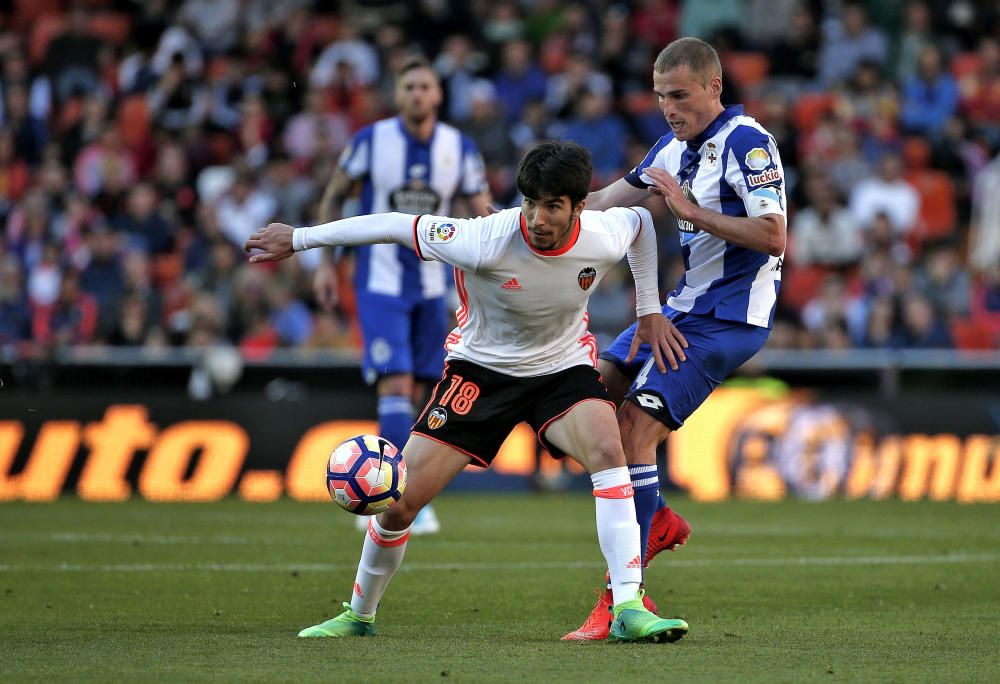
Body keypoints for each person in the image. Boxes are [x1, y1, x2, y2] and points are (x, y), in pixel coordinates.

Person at [245, 141, 689, 643]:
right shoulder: (483, 238)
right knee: (398, 504)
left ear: (578, 207)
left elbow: (643, 226)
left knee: (611, 450)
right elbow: (393, 224)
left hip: (561, 369)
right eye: (529, 203)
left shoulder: (601, 233)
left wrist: (649, 308)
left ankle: (627, 605)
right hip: (480, 374)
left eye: (552, 206)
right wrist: (299, 239)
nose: (537, 218)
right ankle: (358, 615)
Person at [562, 36, 787, 640]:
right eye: (661, 96)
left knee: (635, 430)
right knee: (580, 400)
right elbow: (611, 201)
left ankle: (621, 599)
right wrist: (542, 214)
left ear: (715, 87)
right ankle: (653, 517)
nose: (669, 107)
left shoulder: (749, 144)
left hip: (730, 320)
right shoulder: (673, 145)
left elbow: (773, 236)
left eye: (680, 95)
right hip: (679, 309)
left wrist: (690, 209)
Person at [313, 57, 492, 535]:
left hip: (436, 286)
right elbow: (335, 196)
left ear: (437, 95)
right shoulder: (372, 141)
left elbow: (483, 213)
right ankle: (401, 498)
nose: (417, 94)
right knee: (394, 384)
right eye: (408, 86)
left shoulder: (460, 147)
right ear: (398, 94)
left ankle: (398, 488)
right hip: (380, 283)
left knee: (420, 390)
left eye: (425, 86)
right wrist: (326, 264)